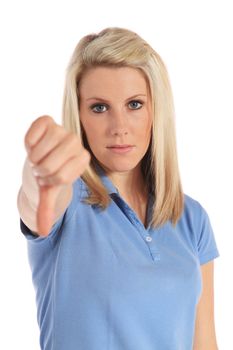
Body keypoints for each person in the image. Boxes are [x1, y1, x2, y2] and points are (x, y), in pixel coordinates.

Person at [17, 27, 220, 350]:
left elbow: (205, 343)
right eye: (99, 107)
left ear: (156, 110)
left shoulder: (192, 218)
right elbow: (36, 199)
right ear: (79, 115)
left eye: (134, 104)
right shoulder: (68, 202)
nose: (119, 128)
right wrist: (41, 175)